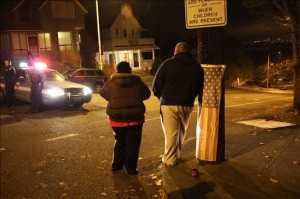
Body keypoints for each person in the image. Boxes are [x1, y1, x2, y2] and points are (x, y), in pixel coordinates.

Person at [152, 42, 204, 167]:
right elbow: (199, 87)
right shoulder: (197, 67)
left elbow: (156, 85)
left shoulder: (168, 64)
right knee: (181, 131)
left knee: (171, 133)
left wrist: (161, 96)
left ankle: (170, 159)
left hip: (168, 103)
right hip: (186, 103)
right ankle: (177, 155)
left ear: (176, 50)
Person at [99, 61, 151, 175]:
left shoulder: (111, 83)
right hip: (135, 119)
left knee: (120, 141)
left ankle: (116, 165)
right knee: (133, 144)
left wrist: (113, 98)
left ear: (117, 70)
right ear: (130, 70)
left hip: (117, 120)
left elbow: (103, 93)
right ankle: (131, 169)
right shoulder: (137, 82)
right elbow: (147, 94)